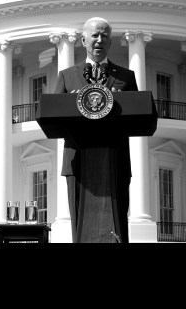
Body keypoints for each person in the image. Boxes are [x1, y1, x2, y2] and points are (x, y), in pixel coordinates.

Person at [54, 17, 138, 243]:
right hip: (77, 161)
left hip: (116, 160)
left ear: (110, 42)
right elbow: (54, 115)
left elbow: (138, 114)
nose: (99, 40)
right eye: (95, 35)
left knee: (118, 222)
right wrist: (70, 105)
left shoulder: (126, 76)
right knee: (79, 224)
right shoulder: (67, 76)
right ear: (83, 40)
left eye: (105, 36)